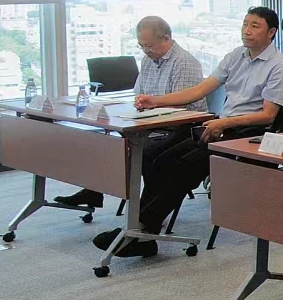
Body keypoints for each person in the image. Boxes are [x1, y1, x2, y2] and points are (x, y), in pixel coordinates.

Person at [92, 7, 283, 257]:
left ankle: (141, 229)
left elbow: (268, 115)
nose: (246, 31)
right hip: (221, 125)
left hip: (248, 134)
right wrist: (156, 101)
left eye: (255, 26)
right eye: (245, 24)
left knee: (185, 165)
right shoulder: (236, 56)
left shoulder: (279, 65)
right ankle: (142, 228)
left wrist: (223, 124)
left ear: (271, 32)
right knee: (157, 159)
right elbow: (200, 90)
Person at [54, 16, 206, 210]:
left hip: (179, 127)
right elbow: (139, 94)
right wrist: (140, 104)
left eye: (149, 46)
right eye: (141, 46)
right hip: (150, 122)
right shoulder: (148, 60)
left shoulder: (184, 62)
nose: (145, 51)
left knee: (146, 152)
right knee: (105, 143)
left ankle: (147, 211)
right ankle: (93, 192)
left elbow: (180, 105)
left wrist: (150, 106)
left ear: (166, 38)